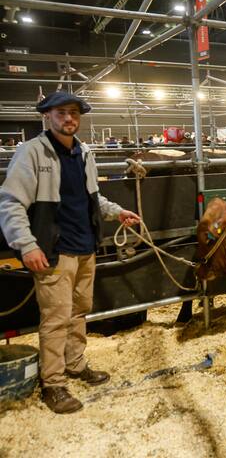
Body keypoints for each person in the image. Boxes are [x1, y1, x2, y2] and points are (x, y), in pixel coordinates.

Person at [0, 91, 141, 414]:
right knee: (55, 319)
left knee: (79, 311)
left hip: (85, 246)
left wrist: (117, 212)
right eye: (61, 113)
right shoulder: (32, 153)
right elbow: (10, 203)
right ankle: (54, 383)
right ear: (47, 116)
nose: (69, 119)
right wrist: (28, 244)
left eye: (74, 113)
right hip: (54, 251)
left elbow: (92, 197)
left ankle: (75, 364)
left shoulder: (84, 152)